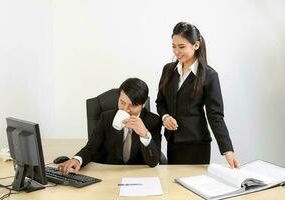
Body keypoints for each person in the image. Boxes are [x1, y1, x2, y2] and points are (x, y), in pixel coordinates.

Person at [156, 22, 240, 168]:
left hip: (197, 144)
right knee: (175, 188)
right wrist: (165, 117)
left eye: (181, 46)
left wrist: (228, 150)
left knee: (194, 188)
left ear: (196, 45)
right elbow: (160, 102)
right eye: (173, 46)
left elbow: (215, 116)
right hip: (173, 142)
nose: (176, 51)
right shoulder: (168, 70)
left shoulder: (209, 75)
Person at [59, 78, 162, 174]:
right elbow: (91, 148)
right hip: (109, 173)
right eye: (122, 102)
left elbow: (153, 162)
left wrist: (145, 135)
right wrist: (77, 159)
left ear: (143, 104)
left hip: (139, 175)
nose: (125, 109)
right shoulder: (106, 117)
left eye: (132, 105)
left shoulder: (153, 121)